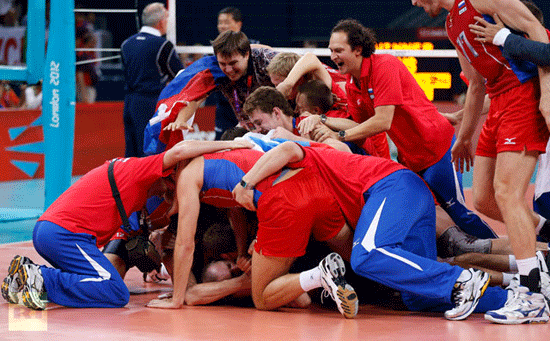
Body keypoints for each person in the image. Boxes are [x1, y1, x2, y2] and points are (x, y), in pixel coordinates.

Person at [232, 140, 511, 321]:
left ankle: (463, 279)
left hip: (392, 185)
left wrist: (246, 183)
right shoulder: (317, 192)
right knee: (417, 297)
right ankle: (514, 294)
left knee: (367, 255)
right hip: (408, 198)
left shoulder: (303, 156)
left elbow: (287, 148)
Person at [412, 0, 550, 324]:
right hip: (498, 101)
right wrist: (463, 136)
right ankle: (546, 233)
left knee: (508, 193)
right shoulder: (451, 24)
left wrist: (546, 93)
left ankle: (533, 293)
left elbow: (538, 33)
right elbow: (475, 84)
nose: (415, 3)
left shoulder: (482, 0)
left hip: (521, 95)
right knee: (486, 199)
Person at [299, 19, 495, 242]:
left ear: (357, 49)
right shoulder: (353, 85)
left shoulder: (384, 66)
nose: (333, 56)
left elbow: (382, 121)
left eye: (338, 50)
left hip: (436, 150)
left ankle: (512, 256)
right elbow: (361, 127)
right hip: (410, 158)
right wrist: (321, 119)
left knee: (460, 215)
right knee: (426, 215)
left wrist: (339, 136)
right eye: (331, 50)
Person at [0, 139, 252, 310]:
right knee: (115, 290)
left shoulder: (139, 192)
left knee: (104, 281)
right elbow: (179, 150)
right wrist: (233, 144)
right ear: (172, 177)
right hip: (62, 234)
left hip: (59, 232)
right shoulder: (141, 170)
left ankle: (25, 278)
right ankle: (40, 278)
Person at [146, 145, 359, 318]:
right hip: (314, 186)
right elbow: (236, 210)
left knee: (263, 298)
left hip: (284, 202)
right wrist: (241, 251)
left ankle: (321, 274)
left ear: (170, 177)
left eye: (163, 191)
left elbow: (185, 243)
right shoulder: (221, 157)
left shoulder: (187, 176)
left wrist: (176, 299)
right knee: (359, 257)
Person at [467, 0, 550, 242]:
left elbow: (545, 53)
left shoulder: (538, 41)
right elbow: (499, 93)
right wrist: (464, 118)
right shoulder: (521, 65)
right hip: (545, 176)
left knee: (508, 195)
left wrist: (503, 36)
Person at [143, 30, 277, 155]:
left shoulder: (264, 58)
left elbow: (292, 61)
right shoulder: (215, 69)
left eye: (233, 63)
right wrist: (181, 119)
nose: (228, 69)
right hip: (248, 127)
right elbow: (195, 97)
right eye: (223, 64)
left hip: (278, 127)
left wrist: (285, 86)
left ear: (246, 54)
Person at [120, 2, 184, 157]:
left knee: (132, 151)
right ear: (161, 22)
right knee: (150, 151)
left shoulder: (126, 44)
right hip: (150, 102)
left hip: (129, 103)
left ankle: (131, 181)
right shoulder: (162, 45)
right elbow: (179, 74)